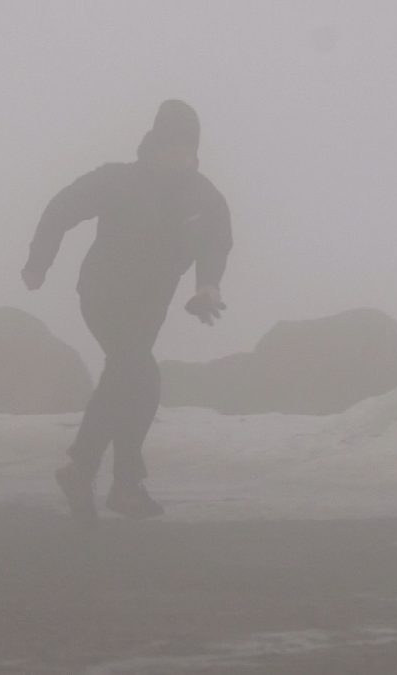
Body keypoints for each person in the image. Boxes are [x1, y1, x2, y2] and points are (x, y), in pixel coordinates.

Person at [22, 100, 233, 526]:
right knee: (140, 375)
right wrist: (38, 261)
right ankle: (123, 484)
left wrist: (208, 286)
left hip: (149, 306)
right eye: (169, 146)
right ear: (153, 144)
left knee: (123, 379)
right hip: (103, 296)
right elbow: (62, 208)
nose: (178, 156)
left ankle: (81, 472)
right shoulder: (118, 180)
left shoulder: (203, 195)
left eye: (186, 148)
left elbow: (217, 240)